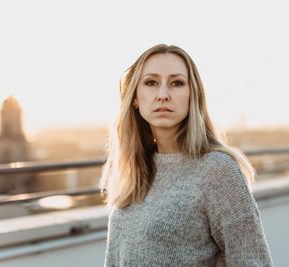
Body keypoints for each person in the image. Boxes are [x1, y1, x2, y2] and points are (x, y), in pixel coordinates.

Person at [100, 44, 274, 266]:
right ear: (135, 97)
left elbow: (253, 261)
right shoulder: (134, 171)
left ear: (193, 96)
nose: (163, 95)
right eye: (151, 83)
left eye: (177, 83)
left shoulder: (216, 169)